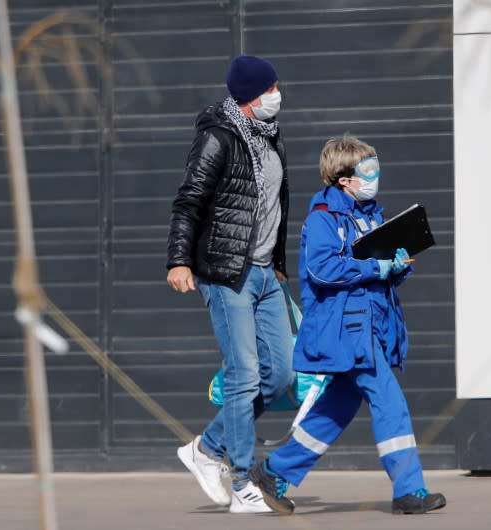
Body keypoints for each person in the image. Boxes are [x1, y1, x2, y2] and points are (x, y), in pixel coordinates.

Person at [246, 134, 447, 515]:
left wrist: (396, 269)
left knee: (336, 408)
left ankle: (274, 472)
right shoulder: (324, 219)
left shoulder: (370, 215)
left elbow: (373, 275)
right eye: (367, 171)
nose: (375, 178)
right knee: (390, 403)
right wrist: (376, 266)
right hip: (348, 330)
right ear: (344, 179)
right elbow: (321, 270)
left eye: (376, 169)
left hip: (368, 326)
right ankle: (409, 489)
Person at [166, 55, 294, 514]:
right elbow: (188, 203)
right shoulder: (217, 138)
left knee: (280, 376)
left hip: (263, 274)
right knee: (242, 375)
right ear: (252, 94)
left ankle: (206, 449)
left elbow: (273, 207)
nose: (279, 94)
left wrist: (277, 262)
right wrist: (179, 261)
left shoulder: (271, 136)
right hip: (225, 273)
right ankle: (241, 481)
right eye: (273, 87)